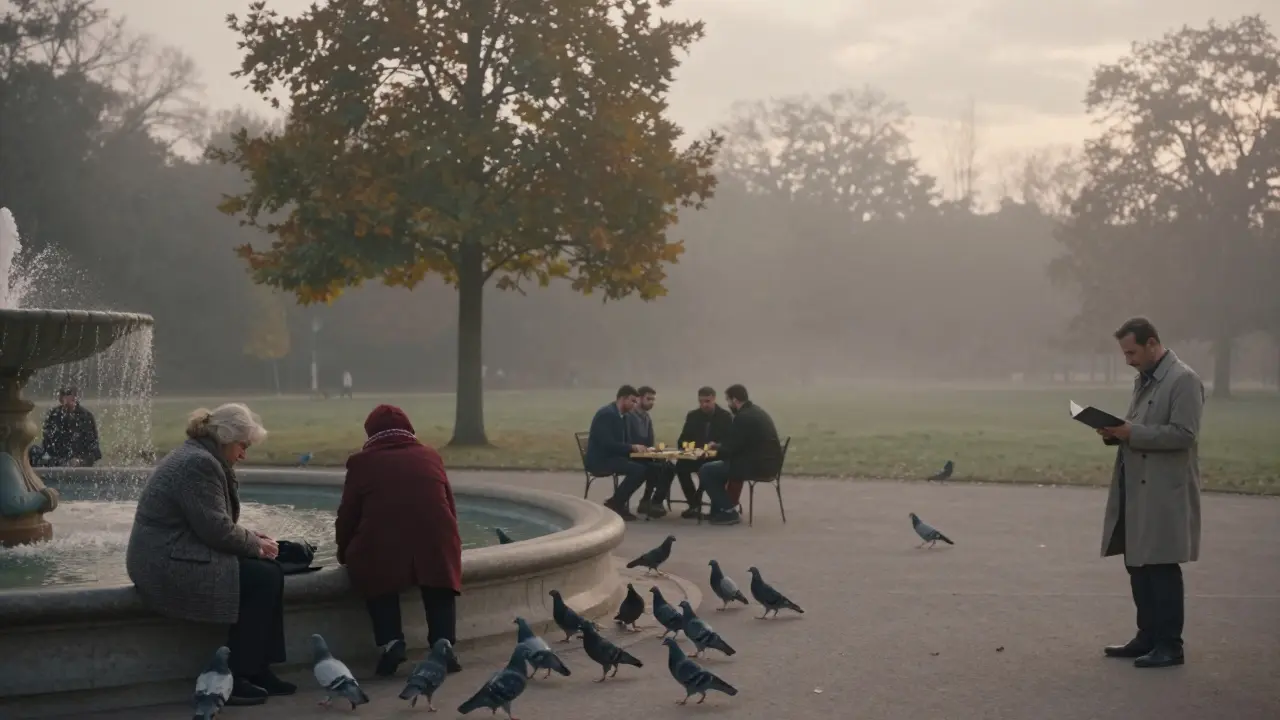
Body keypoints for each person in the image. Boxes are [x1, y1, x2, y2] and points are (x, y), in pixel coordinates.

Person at [125, 403, 292, 706]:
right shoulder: (198, 463)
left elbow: (211, 522)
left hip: (175, 549)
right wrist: (254, 544)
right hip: (165, 561)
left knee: (268, 572)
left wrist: (252, 539)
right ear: (225, 437)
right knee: (262, 578)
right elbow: (216, 529)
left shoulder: (200, 455)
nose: (243, 454)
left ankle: (258, 668)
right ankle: (238, 675)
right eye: (243, 446)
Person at [1097, 317, 1203, 669]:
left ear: (1152, 343)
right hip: (1136, 484)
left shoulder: (1184, 380)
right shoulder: (1144, 379)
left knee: (1161, 566)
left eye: (1132, 353)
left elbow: (1184, 435)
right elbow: (1138, 425)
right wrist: (1115, 433)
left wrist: (1132, 433)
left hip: (1163, 489)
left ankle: (1170, 645)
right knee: (1137, 562)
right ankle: (1147, 636)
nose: (1128, 360)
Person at [336, 404, 464, 677]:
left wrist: (344, 550)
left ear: (370, 432)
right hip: (436, 538)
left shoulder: (361, 462)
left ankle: (391, 642)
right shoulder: (431, 455)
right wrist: (451, 542)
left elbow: (348, 515)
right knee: (439, 578)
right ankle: (443, 643)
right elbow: (449, 506)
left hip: (383, 545)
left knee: (374, 571)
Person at [698, 384, 781, 526]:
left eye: (728, 400)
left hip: (754, 466)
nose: (728, 404)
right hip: (768, 464)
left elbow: (730, 448)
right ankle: (719, 509)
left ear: (735, 400)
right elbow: (738, 443)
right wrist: (719, 447)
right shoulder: (756, 412)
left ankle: (728, 511)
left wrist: (714, 448)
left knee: (706, 470)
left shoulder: (743, 418)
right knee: (716, 469)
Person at [584, 385, 650, 521]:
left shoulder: (622, 416)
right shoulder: (607, 414)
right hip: (601, 460)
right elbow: (607, 444)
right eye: (632, 401)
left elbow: (624, 442)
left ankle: (626, 502)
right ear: (623, 399)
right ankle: (615, 504)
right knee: (638, 471)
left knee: (650, 466)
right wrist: (632, 447)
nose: (635, 405)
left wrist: (639, 448)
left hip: (614, 457)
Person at [670, 386, 734, 519]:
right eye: (701, 402)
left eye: (707, 401)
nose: (704, 405)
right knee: (680, 466)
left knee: (708, 470)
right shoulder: (693, 416)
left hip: (716, 457)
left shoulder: (726, 417)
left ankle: (705, 501)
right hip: (696, 455)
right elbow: (682, 440)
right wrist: (689, 448)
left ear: (714, 399)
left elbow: (728, 442)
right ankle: (693, 503)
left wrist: (715, 447)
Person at [630, 385, 673, 519]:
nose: (651, 402)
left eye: (653, 399)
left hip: (644, 454)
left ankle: (653, 501)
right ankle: (650, 502)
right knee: (659, 467)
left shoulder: (646, 417)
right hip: (632, 455)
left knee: (669, 466)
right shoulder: (630, 416)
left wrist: (655, 449)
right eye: (648, 399)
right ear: (639, 398)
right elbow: (630, 439)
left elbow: (649, 441)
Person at [41, 385, 102, 467]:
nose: (64, 398)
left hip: (79, 462)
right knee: (34, 451)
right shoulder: (53, 415)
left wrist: (80, 461)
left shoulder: (86, 417)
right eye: (62, 394)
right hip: (58, 461)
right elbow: (47, 444)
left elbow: (94, 450)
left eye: (67, 395)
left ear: (75, 397)